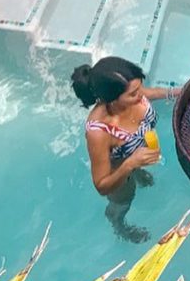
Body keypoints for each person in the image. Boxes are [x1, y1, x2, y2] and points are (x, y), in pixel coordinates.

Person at [71, 57, 181, 243]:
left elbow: (151, 93)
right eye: (133, 94)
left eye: (140, 88)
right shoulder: (99, 132)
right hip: (119, 172)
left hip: (135, 154)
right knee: (123, 202)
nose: (140, 95)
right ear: (112, 99)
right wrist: (130, 164)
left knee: (140, 172)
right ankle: (118, 224)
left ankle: (137, 171)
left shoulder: (133, 92)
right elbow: (101, 185)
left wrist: (180, 92)